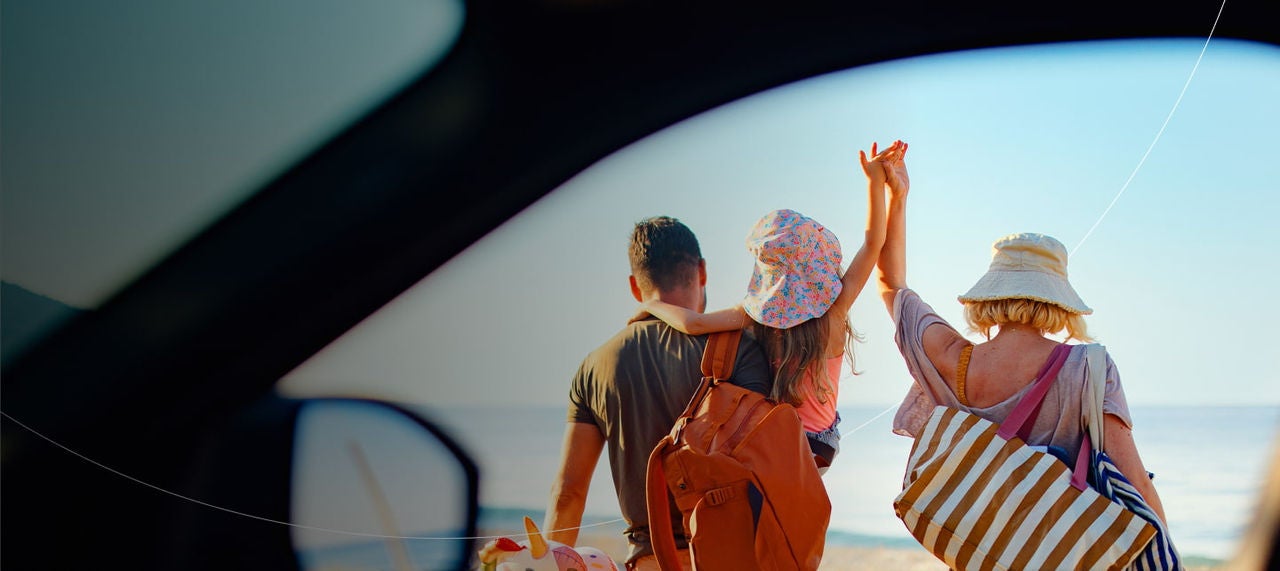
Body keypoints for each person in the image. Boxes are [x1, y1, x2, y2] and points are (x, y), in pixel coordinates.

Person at [872, 144, 1169, 523]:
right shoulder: (1089, 368)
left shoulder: (950, 358)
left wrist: (896, 196)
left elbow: (891, 283)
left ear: (990, 294)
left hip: (975, 544)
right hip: (1052, 545)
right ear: (1060, 301)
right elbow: (1134, 482)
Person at [627, 141, 902, 468]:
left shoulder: (758, 316)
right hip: (822, 446)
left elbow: (692, 323)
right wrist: (877, 182)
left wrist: (651, 304)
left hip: (778, 441)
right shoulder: (835, 311)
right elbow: (873, 243)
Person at [543, 216, 774, 571]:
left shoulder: (594, 366)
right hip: (731, 555)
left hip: (650, 558)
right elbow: (769, 463)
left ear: (635, 287)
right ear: (702, 271)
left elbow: (568, 492)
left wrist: (546, 562)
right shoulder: (740, 350)